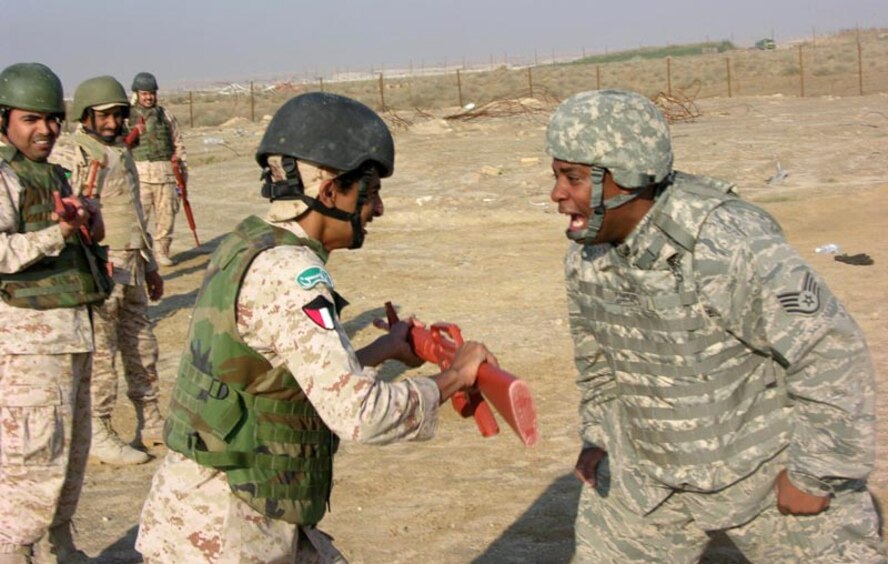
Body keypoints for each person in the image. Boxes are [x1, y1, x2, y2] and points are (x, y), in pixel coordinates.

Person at [136, 92, 496, 562]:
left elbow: (280, 375)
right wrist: (457, 377)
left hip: (209, 509)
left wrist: (382, 349)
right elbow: (361, 414)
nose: (378, 209)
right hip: (229, 530)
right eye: (369, 193)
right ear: (329, 192)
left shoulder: (249, 242)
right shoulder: (293, 275)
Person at [547, 89, 886, 562]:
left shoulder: (724, 243)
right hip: (649, 478)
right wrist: (600, 437)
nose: (557, 193)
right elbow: (599, 360)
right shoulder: (589, 253)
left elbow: (829, 351)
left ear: (626, 176)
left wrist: (816, 473)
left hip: (764, 469)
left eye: (574, 177)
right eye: (557, 175)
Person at [0, 62, 108, 563]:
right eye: (30, 119)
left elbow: (83, 242)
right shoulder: (3, 177)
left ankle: (59, 547)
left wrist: (87, 221)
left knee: (71, 456)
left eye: (52, 119)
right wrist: (56, 235)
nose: (45, 130)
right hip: (28, 345)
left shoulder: (54, 173)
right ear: (4, 120)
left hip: (73, 332)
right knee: (32, 461)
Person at [51, 76, 165, 466]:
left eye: (119, 115)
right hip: (102, 266)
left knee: (142, 347)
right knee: (102, 354)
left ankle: (150, 423)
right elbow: (68, 214)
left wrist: (149, 265)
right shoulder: (76, 154)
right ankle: (98, 430)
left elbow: (133, 211)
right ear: (86, 116)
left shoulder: (120, 151)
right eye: (105, 116)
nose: (114, 123)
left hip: (132, 262)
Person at [128, 71, 187, 267]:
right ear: (137, 93)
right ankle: (138, 255)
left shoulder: (165, 116)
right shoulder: (128, 117)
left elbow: (178, 142)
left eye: (151, 93)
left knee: (166, 217)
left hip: (166, 174)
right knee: (138, 219)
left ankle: (161, 252)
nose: (148, 97)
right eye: (144, 93)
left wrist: (182, 171)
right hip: (140, 175)